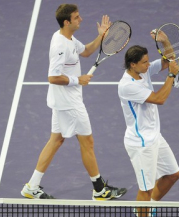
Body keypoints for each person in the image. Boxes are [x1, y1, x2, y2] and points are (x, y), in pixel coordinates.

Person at [21, 4, 127, 200]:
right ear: (66, 22)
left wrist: (101, 36)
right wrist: (77, 80)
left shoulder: (66, 37)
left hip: (61, 101)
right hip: (69, 104)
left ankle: (32, 186)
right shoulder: (60, 46)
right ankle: (99, 189)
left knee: (56, 140)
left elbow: (86, 51)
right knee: (88, 142)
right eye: (77, 17)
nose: (81, 19)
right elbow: (52, 77)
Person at [117, 30, 179, 217]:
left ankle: (148, 212)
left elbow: (168, 60)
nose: (148, 65)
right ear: (133, 64)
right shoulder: (127, 85)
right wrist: (171, 76)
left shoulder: (142, 72)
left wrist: (165, 42)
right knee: (144, 189)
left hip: (155, 137)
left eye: (147, 61)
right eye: (144, 63)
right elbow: (159, 99)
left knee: (173, 174)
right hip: (141, 144)